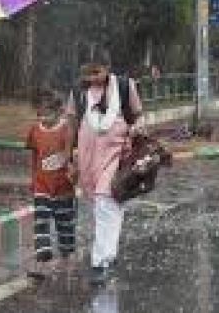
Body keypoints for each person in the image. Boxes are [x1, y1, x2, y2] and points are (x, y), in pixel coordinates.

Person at [73, 49, 144, 285]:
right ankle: (107, 254)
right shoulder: (78, 92)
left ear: (108, 68)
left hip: (117, 155)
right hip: (88, 158)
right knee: (105, 205)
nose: (92, 77)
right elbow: (71, 124)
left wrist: (137, 128)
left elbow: (138, 115)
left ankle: (99, 261)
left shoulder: (124, 87)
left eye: (97, 72)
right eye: (87, 72)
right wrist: (69, 159)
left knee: (106, 200)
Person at [24, 89, 76, 281]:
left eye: (47, 113)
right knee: (41, 222)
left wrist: (74, 173)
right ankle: (42, 260)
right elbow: (34, 156)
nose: (43, 118)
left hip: (63, 189)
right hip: (42, 186)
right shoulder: (35, 130)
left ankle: (68, 260)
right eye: (40, 114)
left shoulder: (66, 130)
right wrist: (33, 179)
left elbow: (73, 156)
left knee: (65, 226)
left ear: (59, 112)